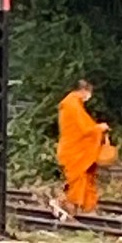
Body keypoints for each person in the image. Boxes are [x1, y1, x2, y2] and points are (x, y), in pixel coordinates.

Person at [51, 79, 109, 220]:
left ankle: (83, 208)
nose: (89, 96)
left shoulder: (72, 104)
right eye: (88, 92)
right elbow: (85, 129)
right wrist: (99, 128)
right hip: (74, 150)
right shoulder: (72, 105)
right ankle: (69, 206)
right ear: (83, 90)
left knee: (83, 178)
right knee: (77, 179)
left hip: (73, 148)